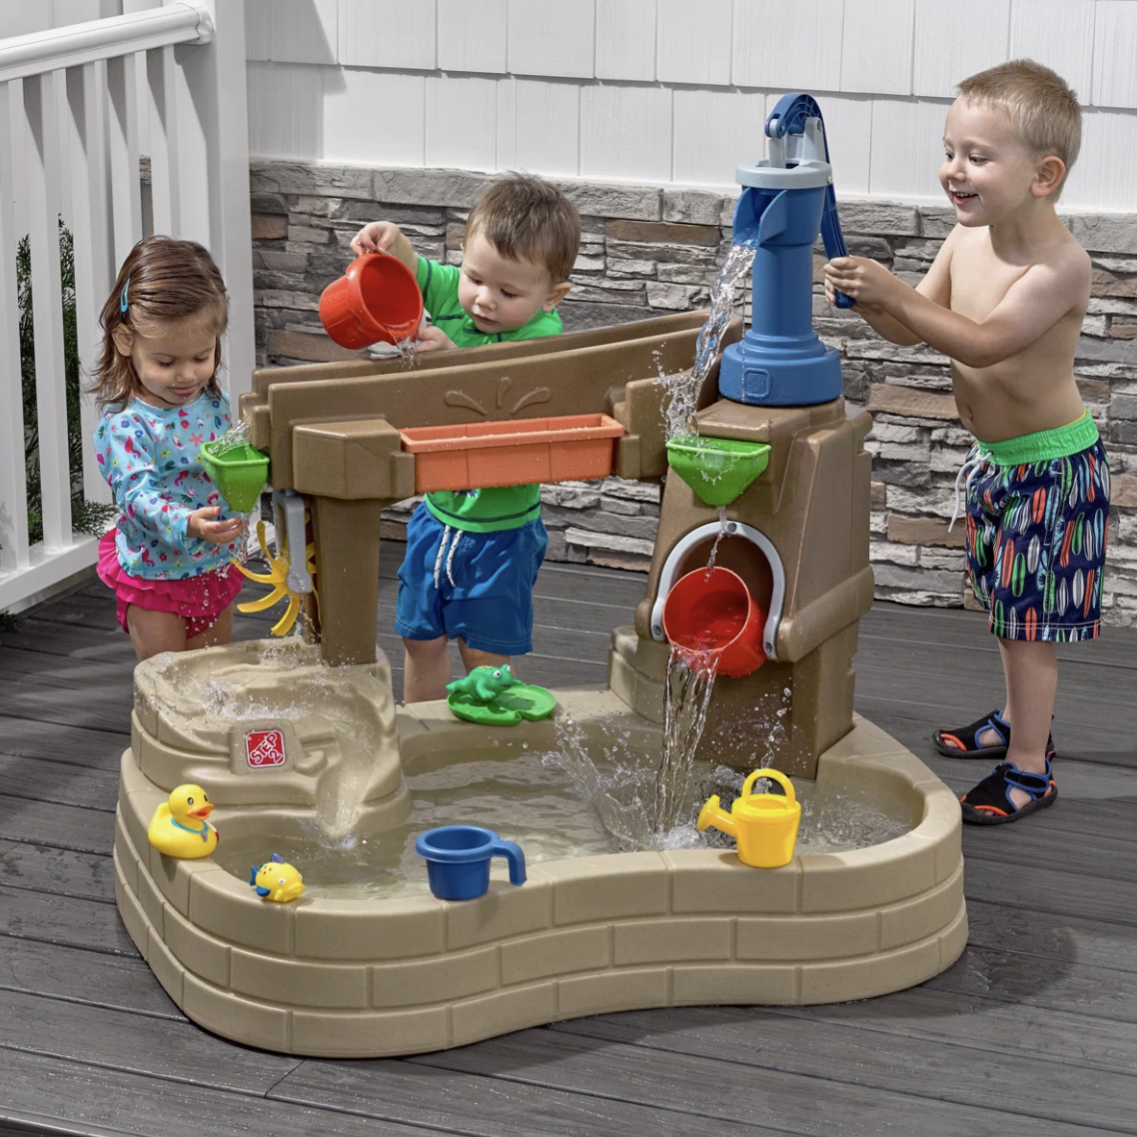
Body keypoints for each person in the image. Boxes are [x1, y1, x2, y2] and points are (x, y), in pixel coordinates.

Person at [824, 60, 1107, 825]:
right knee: (1002, 607)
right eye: (950, 149)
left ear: (1042, 174)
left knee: (1027, 625)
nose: (954, 169)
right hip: (1000, 462)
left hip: (1052, 469)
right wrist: (866, 301)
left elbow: (981, 345)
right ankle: (1018, 720)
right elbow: (916, 321)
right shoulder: (965, 236)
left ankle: (1029, 765)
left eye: (977, 157)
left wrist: (894, 293)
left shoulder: (1059, 265)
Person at [350, 174, 582, 702]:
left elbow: (503, 386)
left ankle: (487, 754)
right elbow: (419, 270)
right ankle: (423, 734)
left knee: (483, 657)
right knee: (420, 638)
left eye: (508, 291)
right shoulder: (462, 293)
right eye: (475, 278)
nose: (483, 301)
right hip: (435, 517)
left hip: (501, 535)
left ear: (552, 297)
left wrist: (454, 361)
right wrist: (391, 241)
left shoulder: (540, 337)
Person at [91, 236, 247, 662]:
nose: (186, 375)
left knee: (212, 677)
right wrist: (187, 523)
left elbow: (232, 460)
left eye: (201, 356)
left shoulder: (212, 404)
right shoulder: (128, 427)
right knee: (165, 684)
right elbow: (137, 496)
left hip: (212, 566)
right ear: (126, 341)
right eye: (165, 362)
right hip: (156, 576)